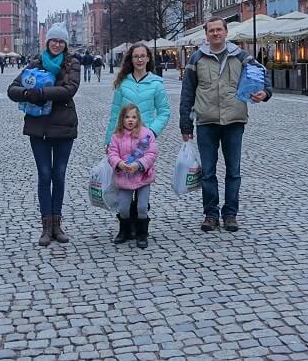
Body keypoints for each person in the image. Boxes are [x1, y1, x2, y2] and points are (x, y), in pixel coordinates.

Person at [179, 17, 271, 233]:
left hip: (234, 120)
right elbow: (187, 93)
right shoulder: (197, 58)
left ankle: (230, 214)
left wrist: (264, 93)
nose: (216, 33)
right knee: (208, 172)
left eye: (219, 29)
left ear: (226, 32)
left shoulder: (241, 56)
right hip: (206, 121)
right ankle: (211, 214)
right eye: (212, 30)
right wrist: (185, 124)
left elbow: (262, 77)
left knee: (234, 171)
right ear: (207, 34)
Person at [7, 22, 80, 247]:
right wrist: (29, 93)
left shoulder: (72, 64)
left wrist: (40, 92)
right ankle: (46, 227)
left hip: (63, 126)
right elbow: (12, 90)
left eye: (60, 41)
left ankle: (57, 224)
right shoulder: (35, 63)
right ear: (47, 42)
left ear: (65, 44)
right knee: (44, 175)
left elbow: (69, 90)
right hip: (38, 128)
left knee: (59, 175)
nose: (57, 44)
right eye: (53, 40)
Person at [105, 43, 171, 240]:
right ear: (131, 59)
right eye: (136, 56)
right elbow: (115, 113)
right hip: (123, 138)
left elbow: (164, 111)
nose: (140, 60)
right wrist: (109, 139)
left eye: (143, 56)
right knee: (124, 180)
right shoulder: (123, 83)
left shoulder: (156, 84)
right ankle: (125, 224)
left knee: (141, 178)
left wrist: (152, 131)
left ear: (148, 59)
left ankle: (140, 222)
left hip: (144, 142)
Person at [107, 104, 159, 248]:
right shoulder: (117, 136)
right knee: (123, 208)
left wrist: (139, 164)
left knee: (142, 206)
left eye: (134, 117)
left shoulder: (146, 134)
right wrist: (119, 163)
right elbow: (112, 153)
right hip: (125, 177)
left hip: (143, 177)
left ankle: (142, 233)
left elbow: (151, 153)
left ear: (138, 119)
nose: (130, 120)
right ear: (122, 119)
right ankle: (125, 230)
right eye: (127, 117)